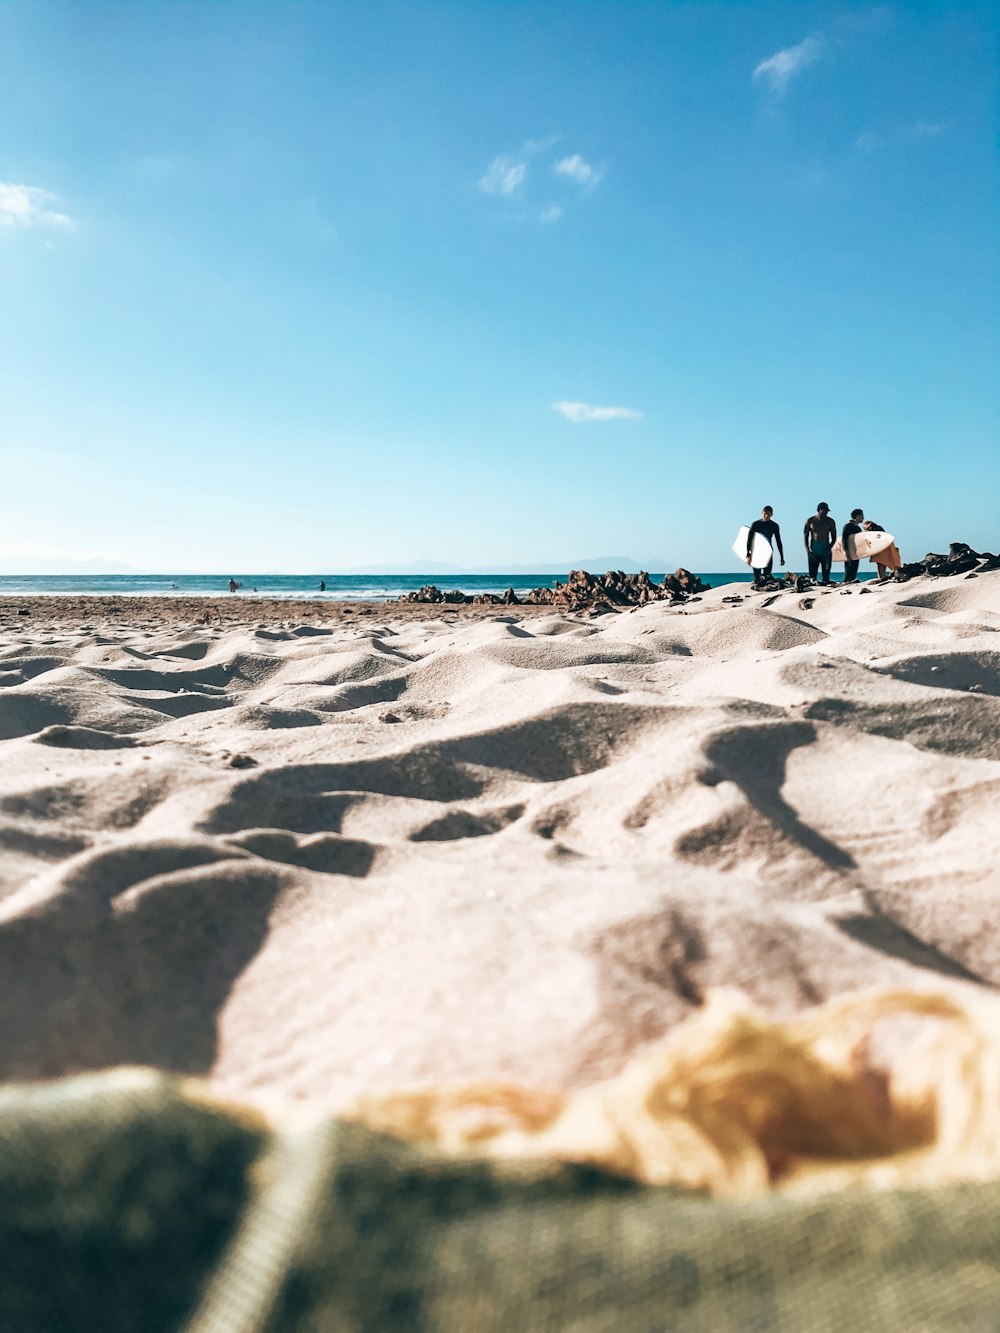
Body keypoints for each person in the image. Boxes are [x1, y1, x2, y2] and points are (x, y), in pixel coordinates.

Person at [745, 506, 785, 587]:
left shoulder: (774, 525)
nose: (766, 516)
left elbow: (778, 541)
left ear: (772, 515)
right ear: (762, 513)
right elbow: (749, 540)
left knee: (767, 575)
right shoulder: (756, 524)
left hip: (768, 552)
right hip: (756, 552)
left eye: (768, 514)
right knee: (757, 577)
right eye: (765, 513)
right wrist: (748, 554)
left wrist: (782, 557)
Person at [803, 503, 836, 585]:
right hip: (814, 549)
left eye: (827, 511)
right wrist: (808, 551)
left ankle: (826, 585)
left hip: (825, 549)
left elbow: (834, 537)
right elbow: (805, 536)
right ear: (818, 510)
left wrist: (829, 548)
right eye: (824, 511)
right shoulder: (810, 520)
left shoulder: (830, 521)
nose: (825, 513)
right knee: (812, 575)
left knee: (826, 575)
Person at [841, 508, 865, 583]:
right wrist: (846, 552)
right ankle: (845, 584)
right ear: (857, 516)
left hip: (856, 552)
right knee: (848, 570)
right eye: (862, 516)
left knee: (854, 570)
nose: (863, 518)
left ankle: (851, 583)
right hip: (849, 552)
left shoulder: (858, 528)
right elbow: (844, 539)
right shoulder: (847, 526)